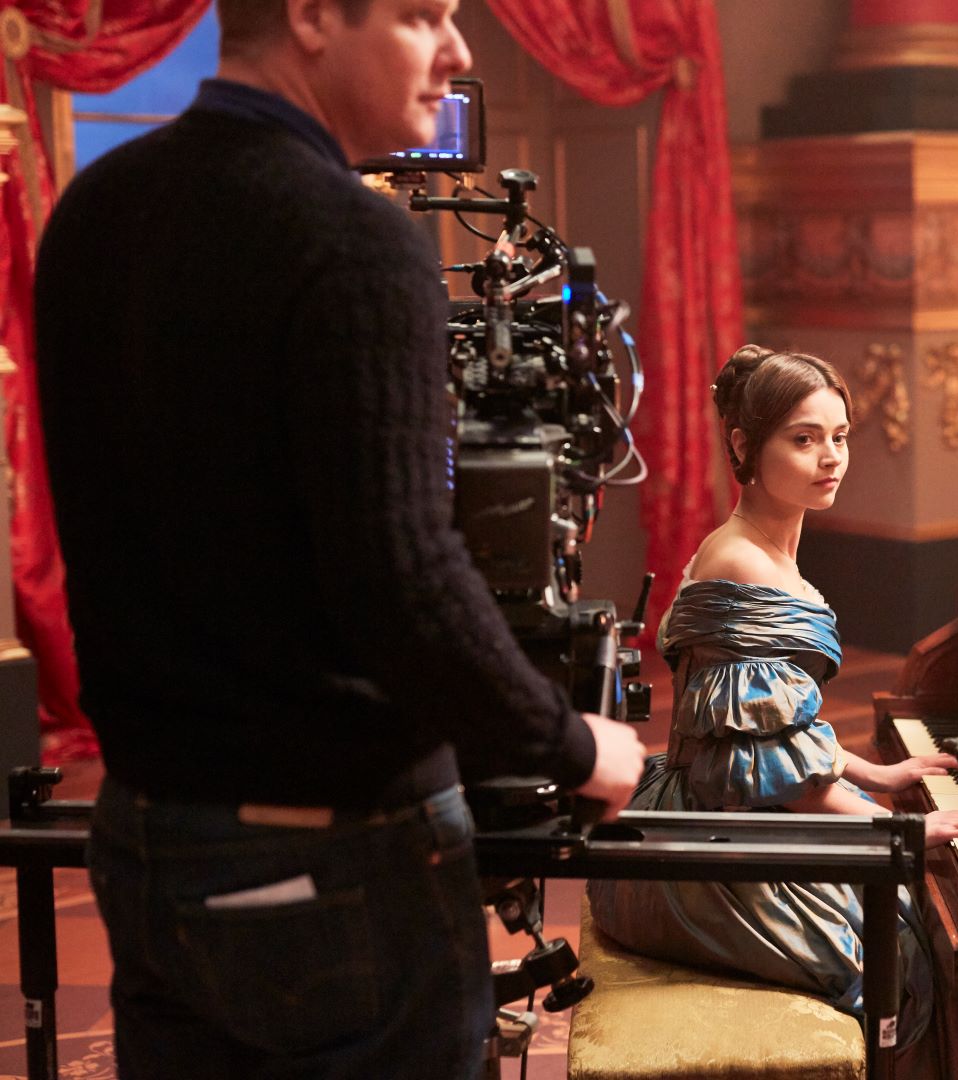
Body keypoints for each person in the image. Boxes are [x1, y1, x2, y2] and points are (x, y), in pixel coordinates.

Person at [31, 0, 645, 1076]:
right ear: (313, 15)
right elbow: (404, 587)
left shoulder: (96, 205)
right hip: (333, 861)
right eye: (423, 17)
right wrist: (575, 744)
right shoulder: (355, 240)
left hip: (141, 837)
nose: (457, 54)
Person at [587, 345, 958, 1051]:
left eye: (839, 437)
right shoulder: (745, 565)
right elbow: (767, 773)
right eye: (804, 440)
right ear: (744, 444)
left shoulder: (769, 545)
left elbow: (773, 727)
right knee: (900, 939)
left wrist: (875, 776)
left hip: (731, 807)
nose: (830, 457)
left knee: (920, 911)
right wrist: (906, 832)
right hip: (710, 849)